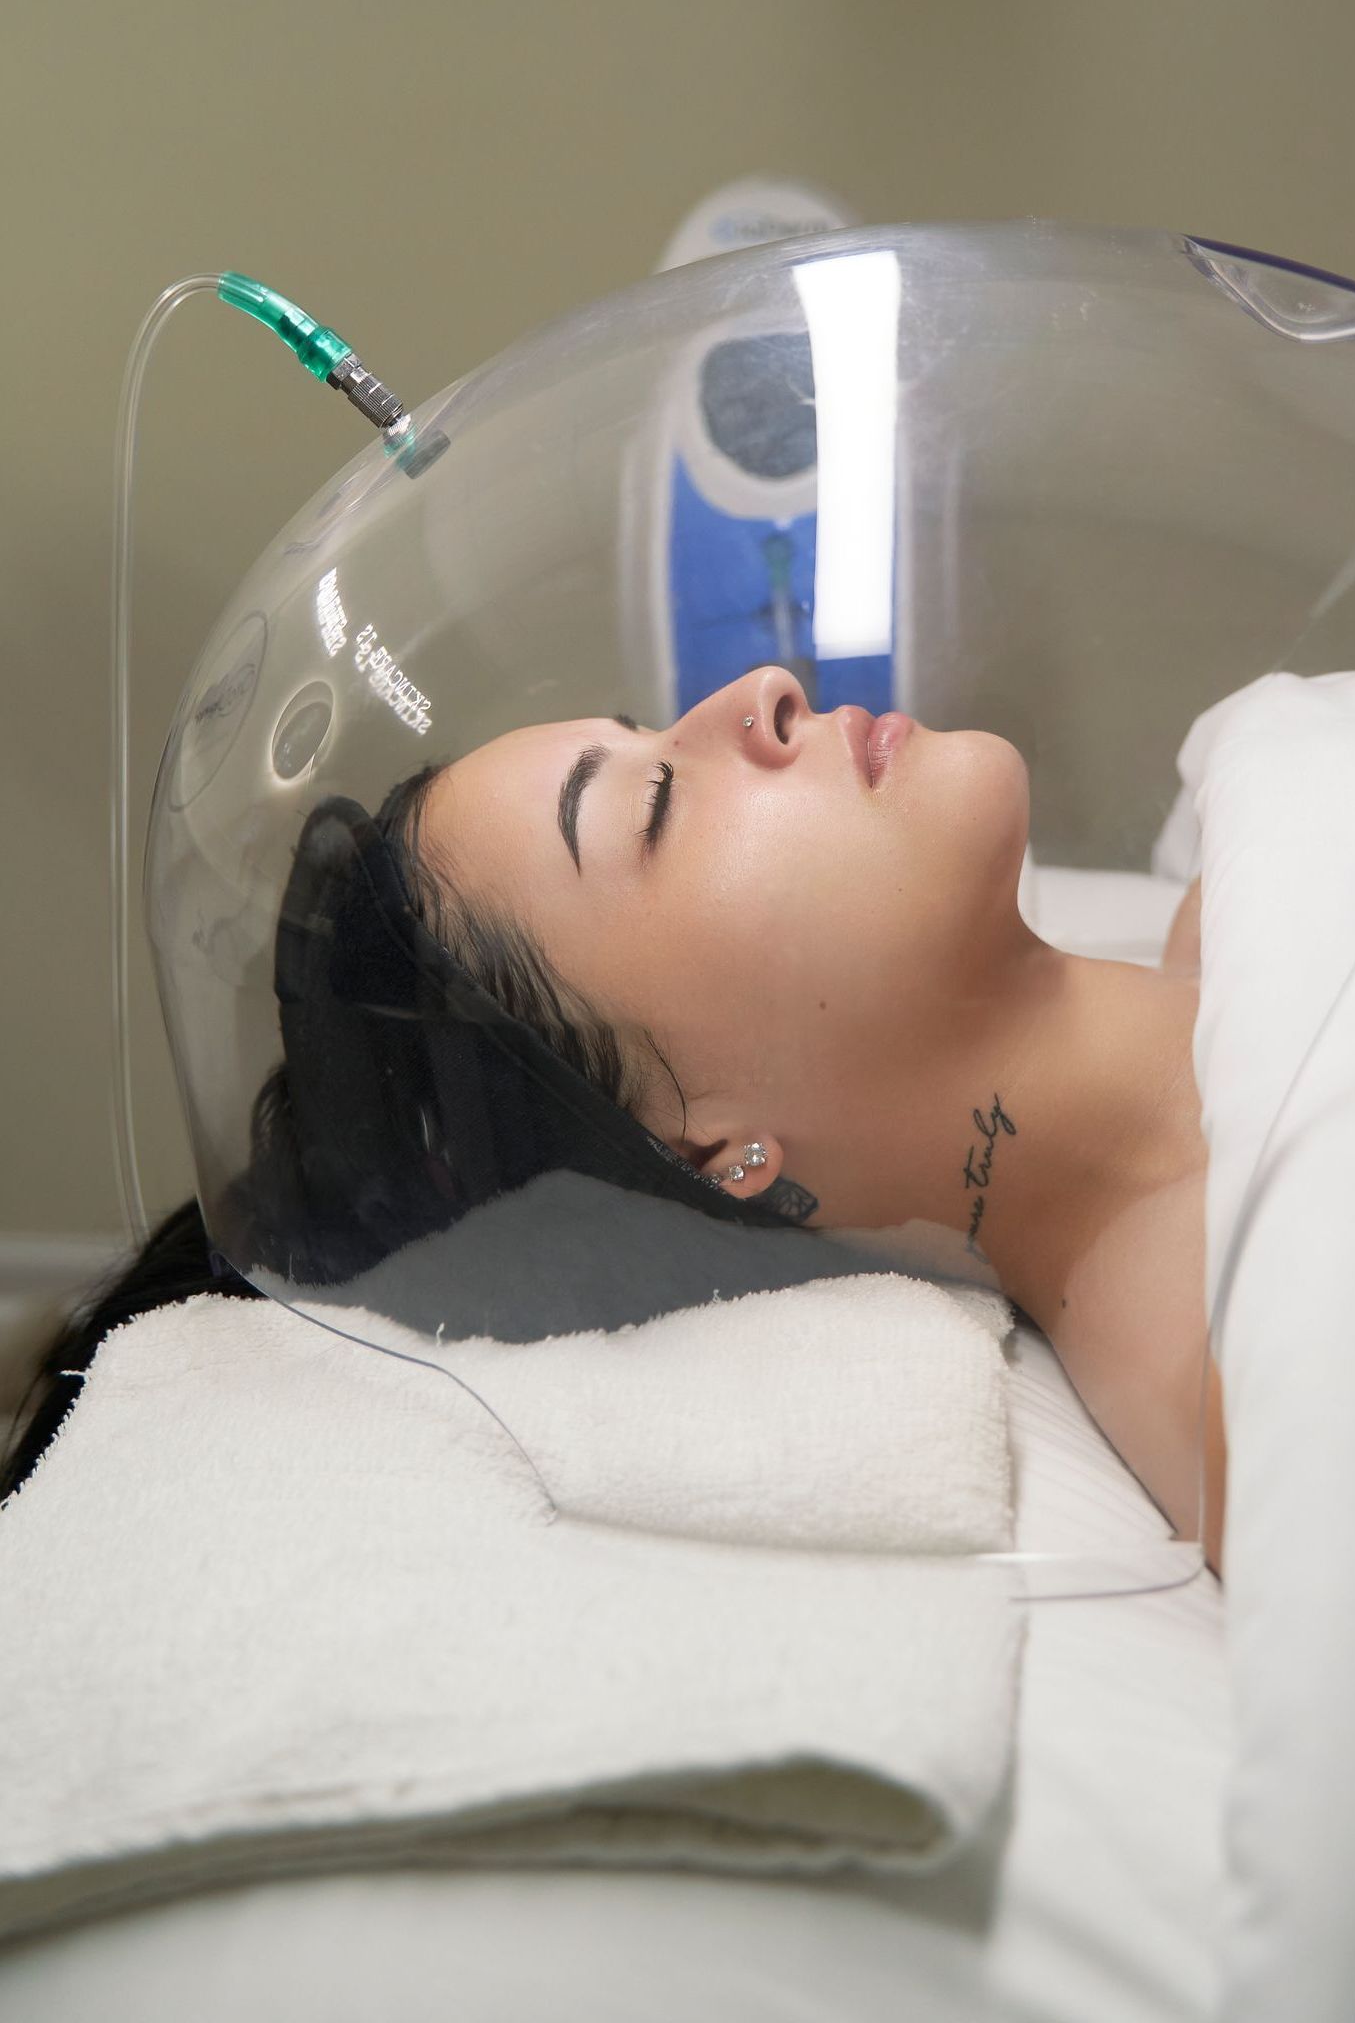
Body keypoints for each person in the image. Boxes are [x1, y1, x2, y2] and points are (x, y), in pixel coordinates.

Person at [3, 665, 1225, 1567]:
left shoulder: (1235, 897)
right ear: (711, 1151)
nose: (762, 692)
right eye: (654, 806)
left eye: (650, 731)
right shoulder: (1248, 1336)